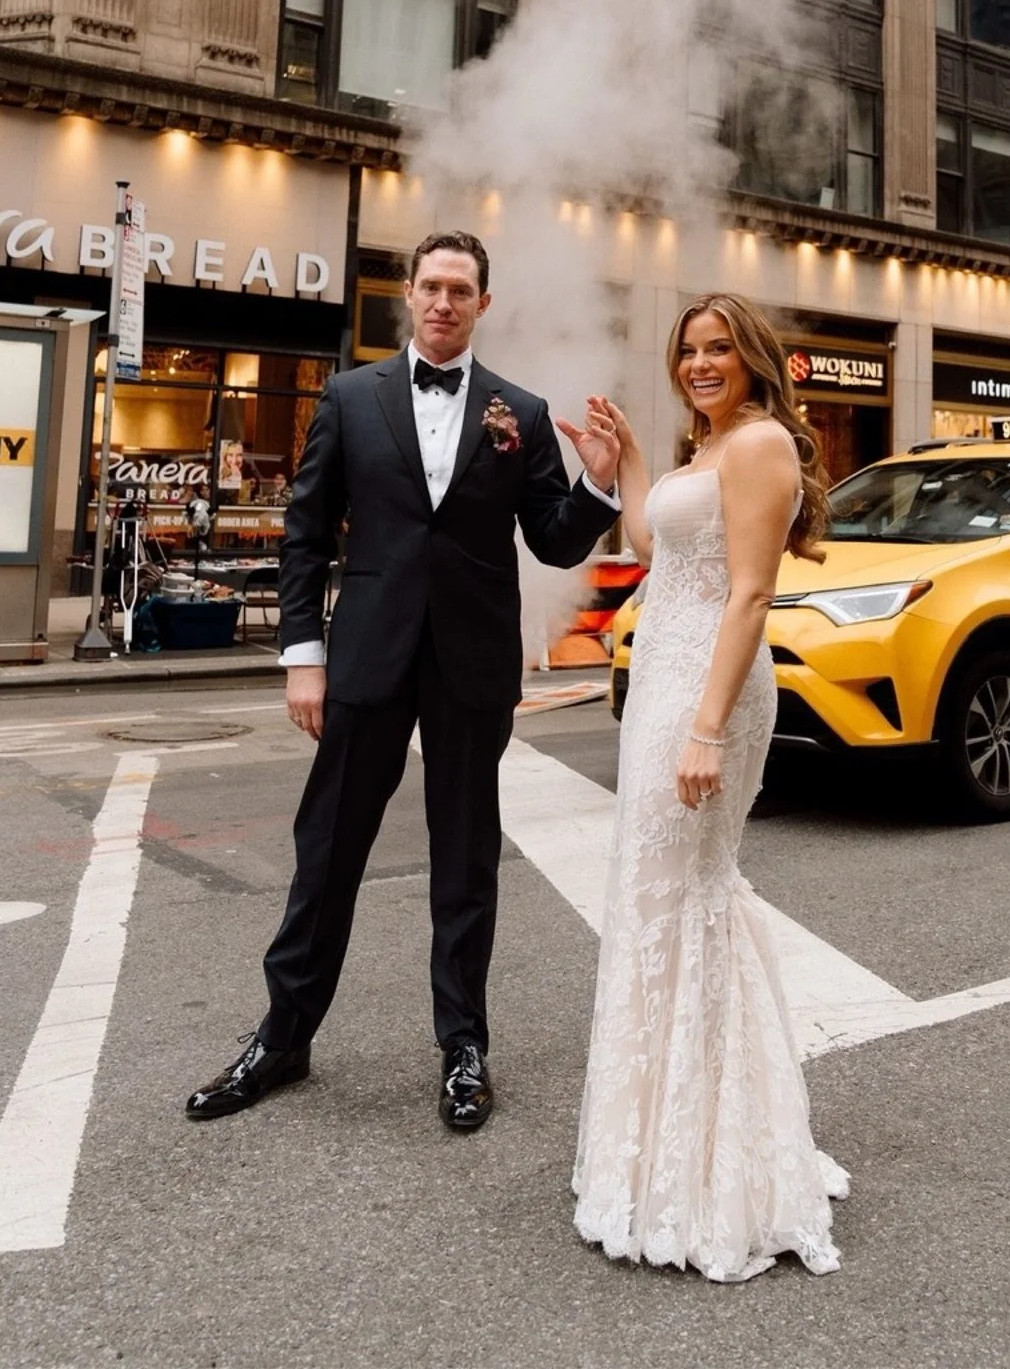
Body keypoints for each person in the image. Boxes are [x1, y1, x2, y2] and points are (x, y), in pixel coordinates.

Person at [186, 231, 622, 1129]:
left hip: (470, 664)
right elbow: (306, 537)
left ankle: (464, 1047)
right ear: (410, 296)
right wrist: (303, 657)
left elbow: (550, 537)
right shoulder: (349, 398)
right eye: (431, 287)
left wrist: (597, 488)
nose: (444, 303)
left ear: (482, 305)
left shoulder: (522, 412)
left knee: (465, 862)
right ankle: (283, 1036)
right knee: (329, 852)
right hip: (367, 660)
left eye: (461, 290)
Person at [571, 292, 849, 1282]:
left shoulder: (762, 442)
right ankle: (662, 1139)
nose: (700, 361)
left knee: (687, 899)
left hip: (711, 698)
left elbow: (750, 591)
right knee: (661, 902)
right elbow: (660, 550)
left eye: (719, 347)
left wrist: (702, 730)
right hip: (663, 686)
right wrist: (632, 462)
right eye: (688, 347)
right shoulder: (708, 448)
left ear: (754, 360)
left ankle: (717, 1161)